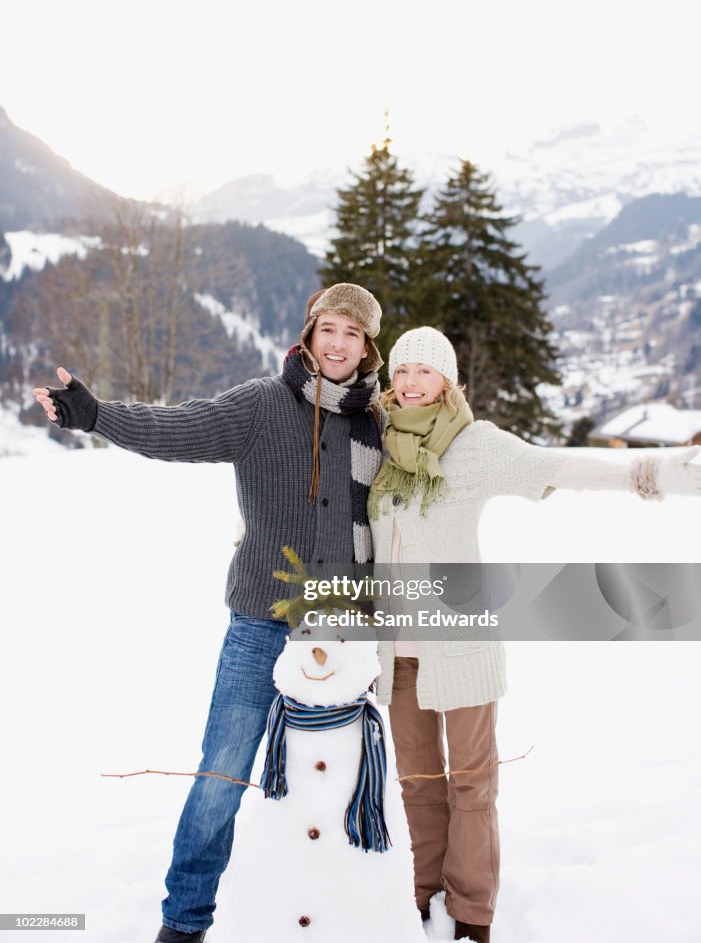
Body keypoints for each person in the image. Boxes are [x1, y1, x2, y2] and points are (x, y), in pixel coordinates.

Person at [32, 283, 385, 943]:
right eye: (329, 329)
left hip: (344, 634)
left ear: (367, 349)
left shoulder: (377, 423)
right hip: (261, 625)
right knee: (223, 776)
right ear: (308, 334)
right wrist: (97, 416)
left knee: (335, 780)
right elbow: (178, 428)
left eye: (353, 334)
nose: (338, 343)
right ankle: (185, 920)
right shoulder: (263, 404)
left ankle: (326, 912)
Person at [367, 326, 701, 943]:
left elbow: (558, 465)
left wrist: (653, 473)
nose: (411, 382)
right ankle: (423, 896)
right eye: (403, 370)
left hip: (460, 647)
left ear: (448, 382)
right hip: (397, 655)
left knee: (471, 784)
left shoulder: (474, 445)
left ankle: (470, 914)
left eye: (425, 371)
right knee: (416, 782)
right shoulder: (379, 446)